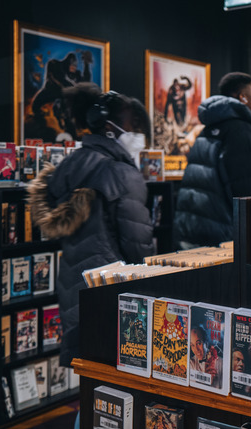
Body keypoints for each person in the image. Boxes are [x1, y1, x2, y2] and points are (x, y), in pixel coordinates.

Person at [28, 82, 155, 369]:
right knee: (118, 380)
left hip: (75, 286)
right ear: (110, 128)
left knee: (90, 377)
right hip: (115, 289)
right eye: (132, 125)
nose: (137, 134)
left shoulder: (73, 165)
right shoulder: (121, 172)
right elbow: (138, 246)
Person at [174, 72, 251, 248]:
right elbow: (246, 190)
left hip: (194, 231)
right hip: (223, 239)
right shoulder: (241, 129)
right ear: (243, 97)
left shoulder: (209, 128)